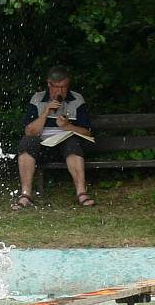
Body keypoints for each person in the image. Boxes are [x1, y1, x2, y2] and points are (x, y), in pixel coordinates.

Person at [13, 66, 95, 209]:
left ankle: (81, 192)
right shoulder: (37, 99)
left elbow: (87, 133)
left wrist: (68, 126)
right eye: (56, 87)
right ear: (49, 84)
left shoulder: (77, 99)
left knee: (73, 143)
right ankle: (25, 194)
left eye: (64, 87)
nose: (60, 91)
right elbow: (29, 131)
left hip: (67, 145)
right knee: (26, 143)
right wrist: (45, 113)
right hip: (43, 147)